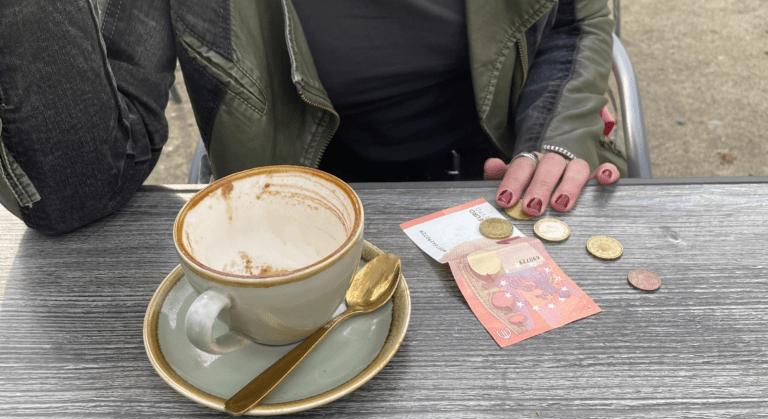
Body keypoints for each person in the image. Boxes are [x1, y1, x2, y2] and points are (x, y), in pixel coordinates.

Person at [0, 0, 624, 236]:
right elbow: (75, 191)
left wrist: (557, 131)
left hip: (492, 187)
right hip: (281, 216)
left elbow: (574, 21)